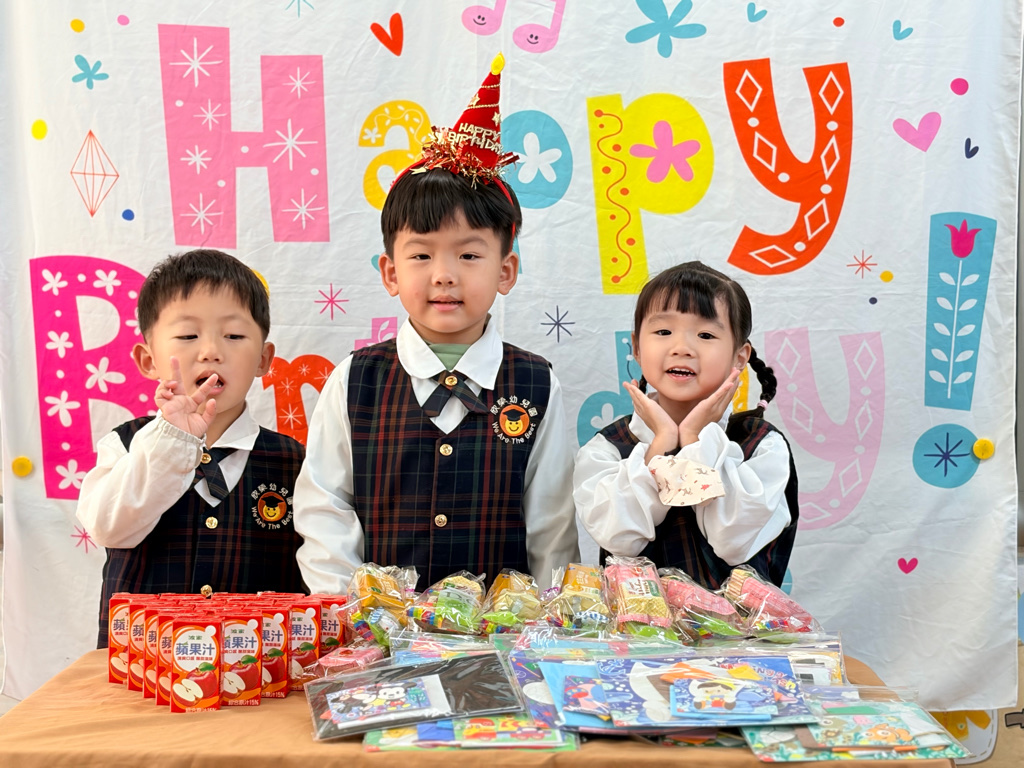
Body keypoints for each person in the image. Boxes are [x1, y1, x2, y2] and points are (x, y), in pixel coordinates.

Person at [294, 55, 578, 593]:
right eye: (421, 255)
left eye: (468, 255)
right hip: (377, 631)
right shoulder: (355, 380)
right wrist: (352, 610)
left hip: (502, 631)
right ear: (390, 272)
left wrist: (547, 615)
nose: (444, 275)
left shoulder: (537, 384)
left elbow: (552, 524)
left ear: (506, 271)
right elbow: (325, 507)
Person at [77, 249, 306, 647]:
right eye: (187, 336)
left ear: (263, 359)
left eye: (234, 336)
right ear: (148, 360)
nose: (211, 351)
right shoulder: (125, 444)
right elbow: (107, 527)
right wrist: (173, 438)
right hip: (143, 667)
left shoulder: (295, 461)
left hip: (257, 668)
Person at [573, 261, 797, 589]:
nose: (681, 348)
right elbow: (621, 540)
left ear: (740, 357)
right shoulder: (606, 449)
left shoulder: (762, 447)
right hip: (637, 622)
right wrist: (662, 442)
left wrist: (693, 439)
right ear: (637, 347)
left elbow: (733, 542)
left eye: (705, 335)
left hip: (739, 624)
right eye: (663, 332)